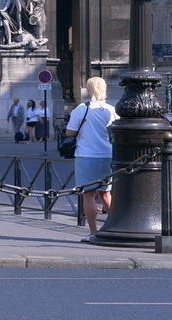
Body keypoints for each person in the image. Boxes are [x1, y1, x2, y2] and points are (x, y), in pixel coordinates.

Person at [64, 76, 118, 239]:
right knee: (105, 194)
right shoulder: (111, 109)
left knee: (88, 195)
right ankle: (115, 227)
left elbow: (70, 132)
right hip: (107, 154)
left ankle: (93, 231)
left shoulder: (82, 109)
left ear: (88, 90)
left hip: (86, 155)